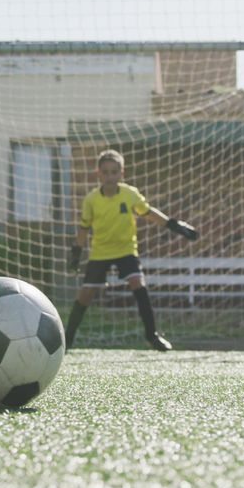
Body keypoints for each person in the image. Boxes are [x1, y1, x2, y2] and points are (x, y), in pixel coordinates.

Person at [65, 149, 199, 352]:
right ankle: (67, 339)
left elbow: (149, 213)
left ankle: (152, 336)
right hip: (100, 252)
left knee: (139, 285)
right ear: (98, 174)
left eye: (114, 172)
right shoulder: (91, 200)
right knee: (86, 294)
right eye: (106, 172)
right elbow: (84, 228)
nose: (110, 176)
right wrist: (76, 253)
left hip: (126, 250)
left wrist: (175, 225)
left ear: (122, 173)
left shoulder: (130, 194)